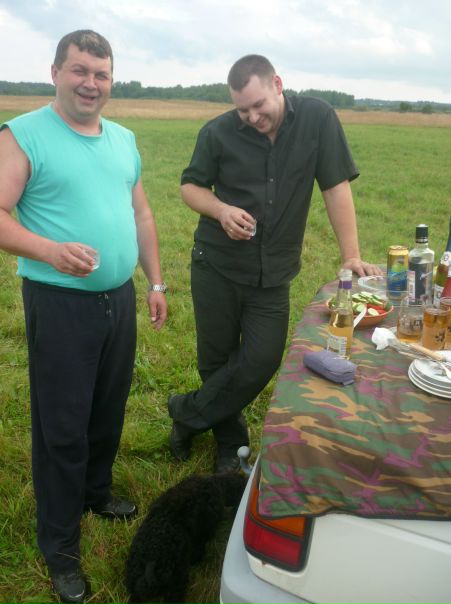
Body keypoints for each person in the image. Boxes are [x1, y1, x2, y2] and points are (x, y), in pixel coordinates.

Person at [0, 30, 167, 604]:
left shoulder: (123, 139)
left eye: (101, 73)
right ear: (55, 73)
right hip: (59, 304)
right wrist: (49, 250)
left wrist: (155, 282)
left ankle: (96, 492)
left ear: (111, 80)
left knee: (107, 409)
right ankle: (61, 544)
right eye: (79, 70)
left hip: (118, 298)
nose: (90, 83)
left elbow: (141, 214)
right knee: (62, 427)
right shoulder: (23, 135)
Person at [167, 54, 381, 474]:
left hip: (273, 273)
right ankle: (230, 444)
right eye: (242, 110)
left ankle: (186, 413)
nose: (252, 117)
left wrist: (351, 254)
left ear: (277, 84)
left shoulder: (318, 119)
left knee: (261, 359)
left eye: (258, 105)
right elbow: (190, 187)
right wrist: (222, 210)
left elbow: (335, 187)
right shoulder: (217, 132)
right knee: (217, 359)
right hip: (216, 265)